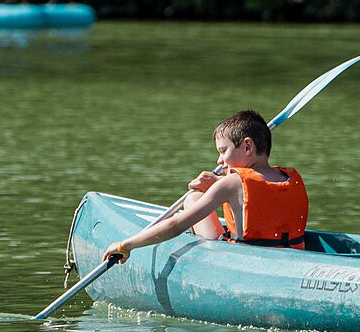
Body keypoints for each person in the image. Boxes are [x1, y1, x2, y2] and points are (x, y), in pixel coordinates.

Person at [102, 110, 309, 264]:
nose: (220, 160)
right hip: (291, 257)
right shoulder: (290, 177)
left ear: (248, 147)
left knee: (192, 198)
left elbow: (175, 225)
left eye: (223, 150)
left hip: (246, 261)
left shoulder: (231, 183)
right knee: (198, 198)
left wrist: (125, 245)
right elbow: (259, 193)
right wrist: (216, 184)